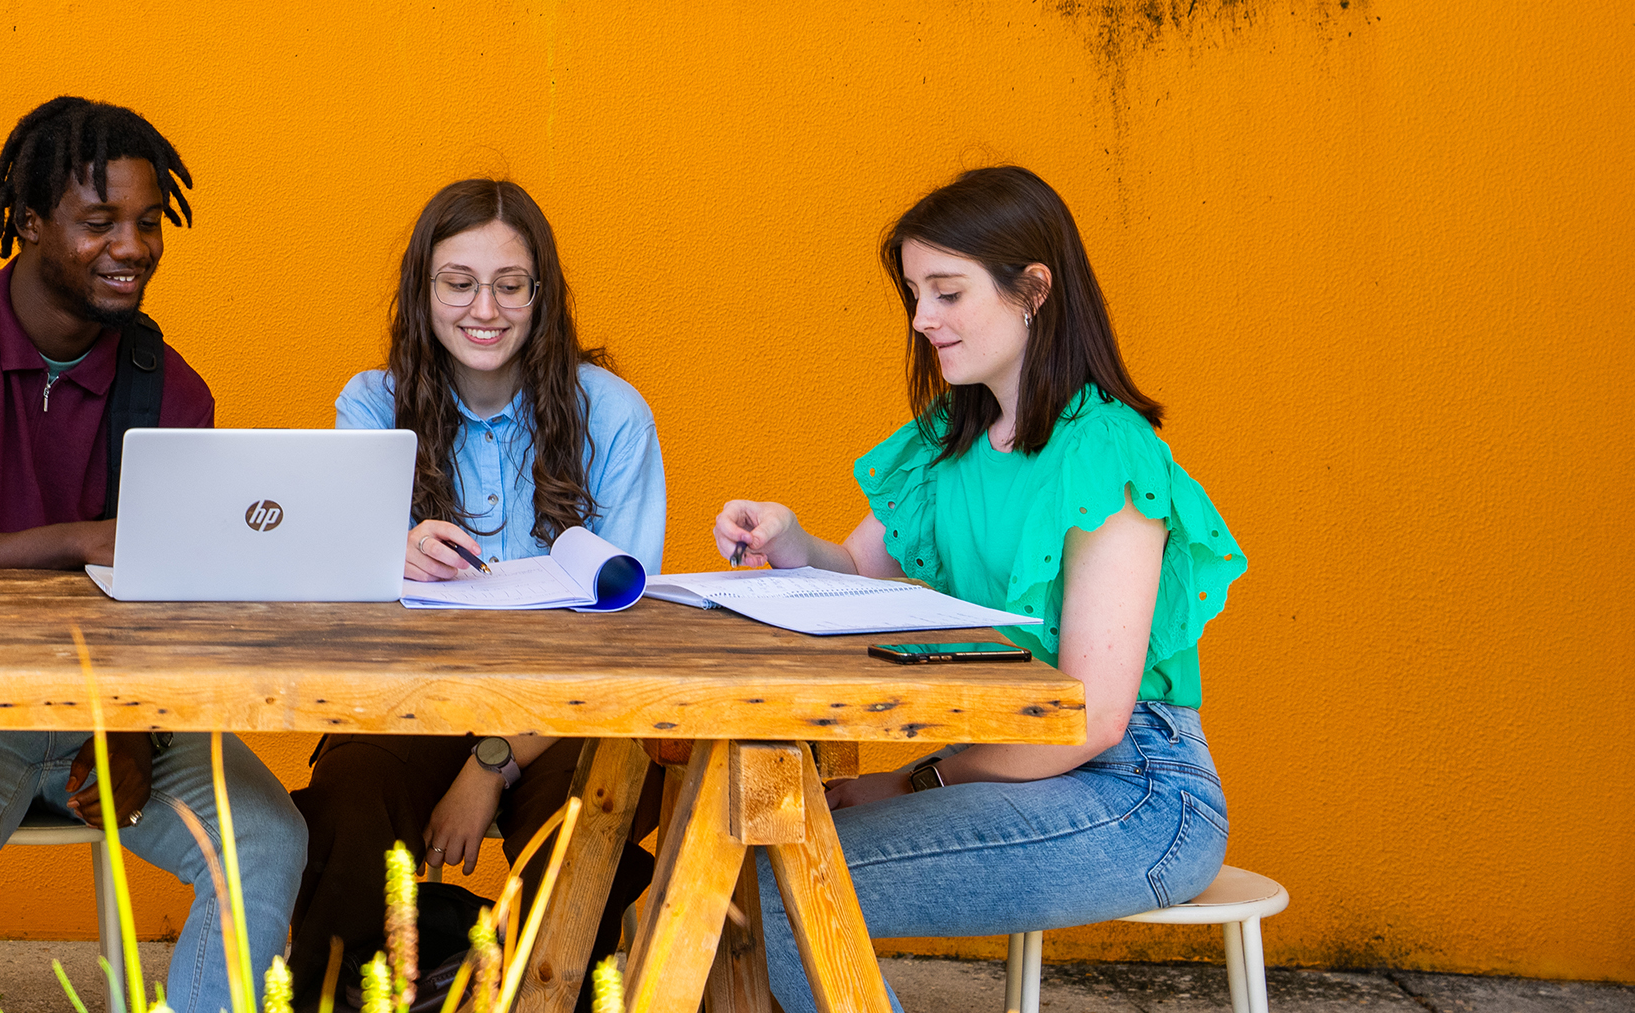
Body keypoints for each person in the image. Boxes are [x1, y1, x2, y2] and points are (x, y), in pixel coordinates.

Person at [711, 166, 1244, 1013]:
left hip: (1134, 789)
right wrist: (788, 539)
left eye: (948, 292)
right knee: (731, 870)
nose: (923, 319)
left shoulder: (1106, 450)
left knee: (771, 898)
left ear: (1033, 290)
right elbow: (851, 573)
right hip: (1012, 768)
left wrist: (914, 780)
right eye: (916, 294)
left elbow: (1096, 715)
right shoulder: (946, 444)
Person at [0, 96, 303, 1013]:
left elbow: (175, 596)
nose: (132, 246)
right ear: (27, 223)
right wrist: (80, 542)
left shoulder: (170, 387)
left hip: (115, 711)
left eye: (146, 222)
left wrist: (135, 728)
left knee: (266, 840)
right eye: (99, 223)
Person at [288, 179, 668, 1004]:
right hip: (411, 699)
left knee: (585, 819)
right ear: (423, 290)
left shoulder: (614, 415)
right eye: (458, 282)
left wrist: (490, 763)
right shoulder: (372, 403)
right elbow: (330, 589)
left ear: (544, 293)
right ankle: (341, 993)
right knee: (351, 798)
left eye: (510, 283)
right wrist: (389, 551)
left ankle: (531, 995)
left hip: (567, 708)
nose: (484, 308)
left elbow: (621, 639)